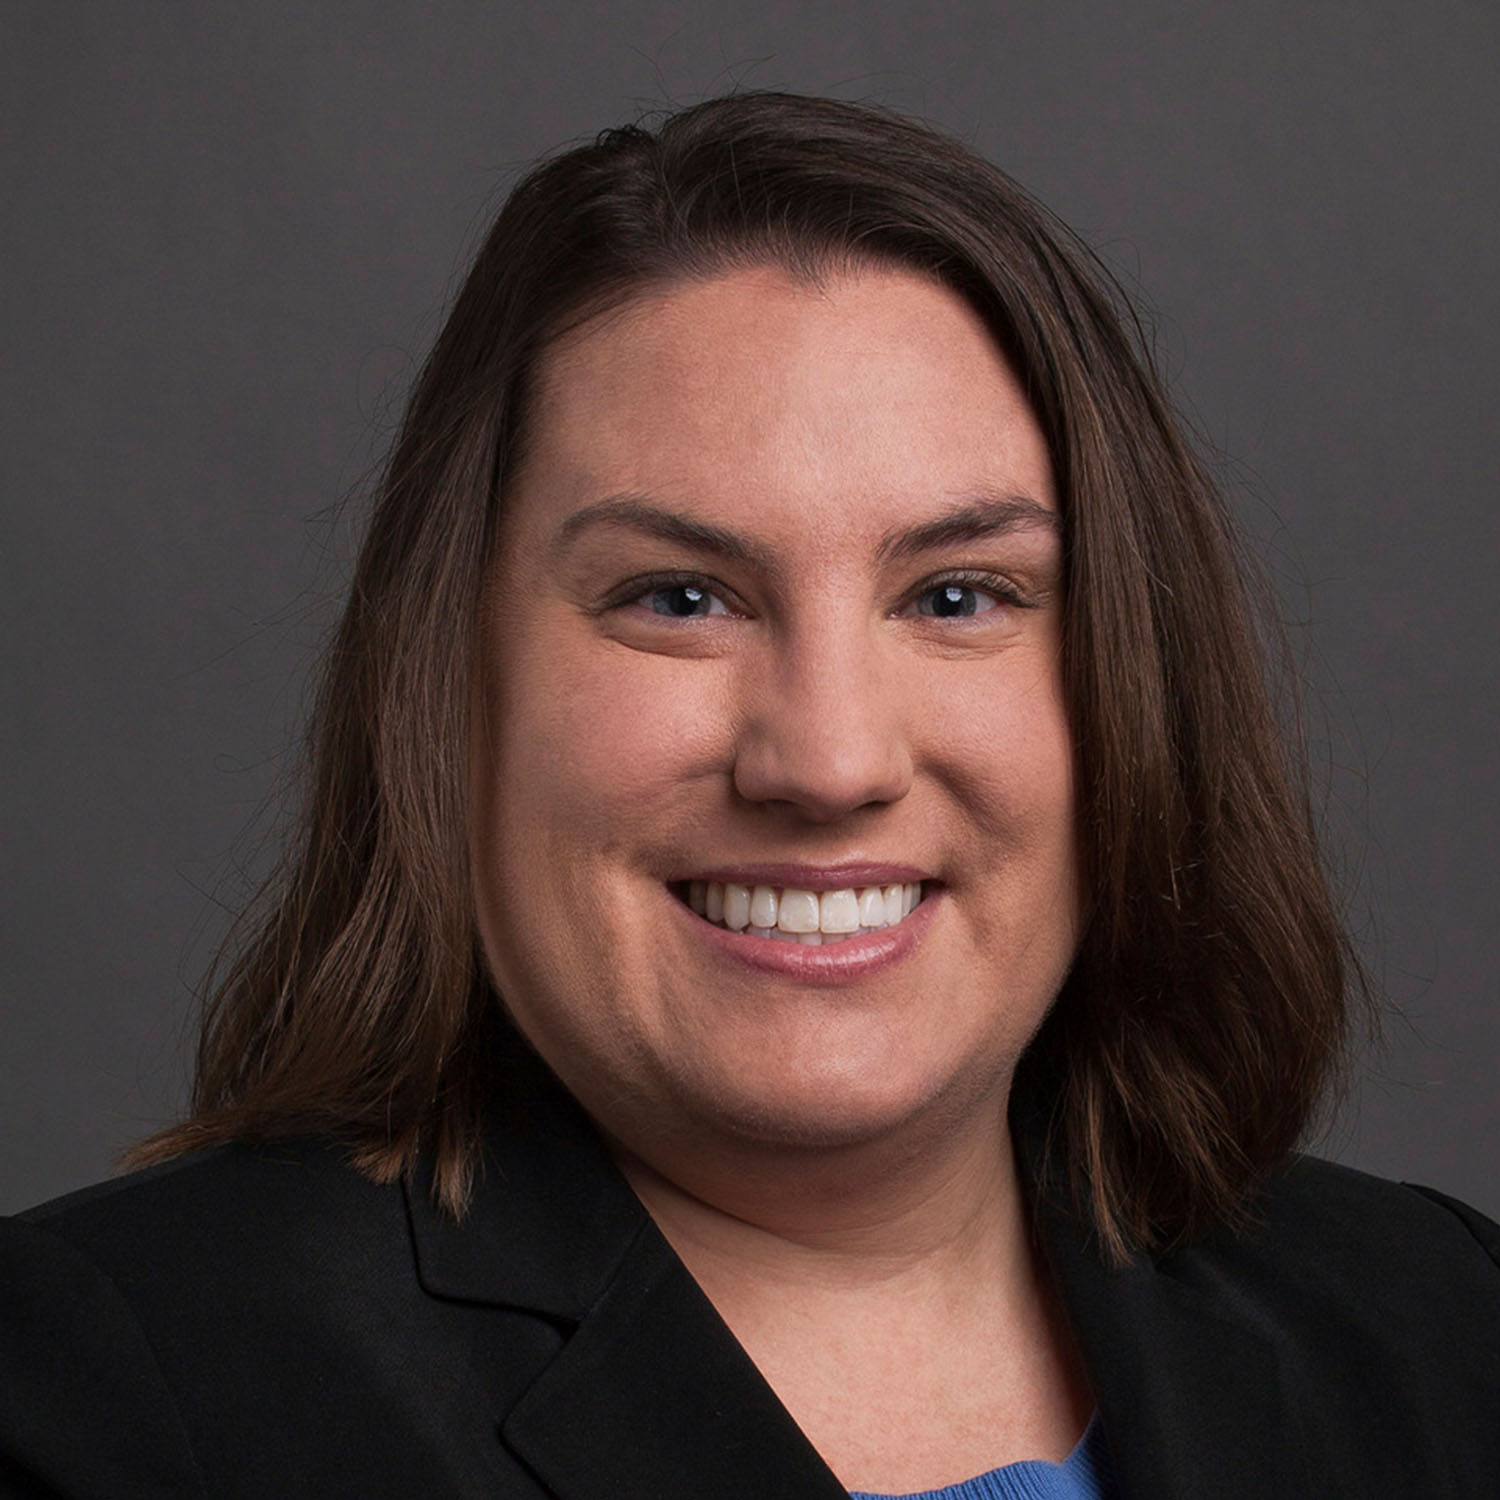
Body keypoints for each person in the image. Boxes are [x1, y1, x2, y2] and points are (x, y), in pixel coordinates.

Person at [1, 91, 1496, 1500]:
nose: (829, 761)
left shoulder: (1440, 1331)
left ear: (1129, 683)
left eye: (959, 594)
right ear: (453, 684)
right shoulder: (110, 1401)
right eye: (680, 597)